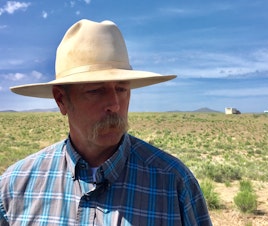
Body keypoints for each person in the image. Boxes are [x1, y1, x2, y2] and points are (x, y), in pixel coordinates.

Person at [0, 19, 212, 225]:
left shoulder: (173, 182)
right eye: (95, 90)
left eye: (121, 89)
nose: (114, 104)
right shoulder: (16, 186)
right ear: (61, 100)